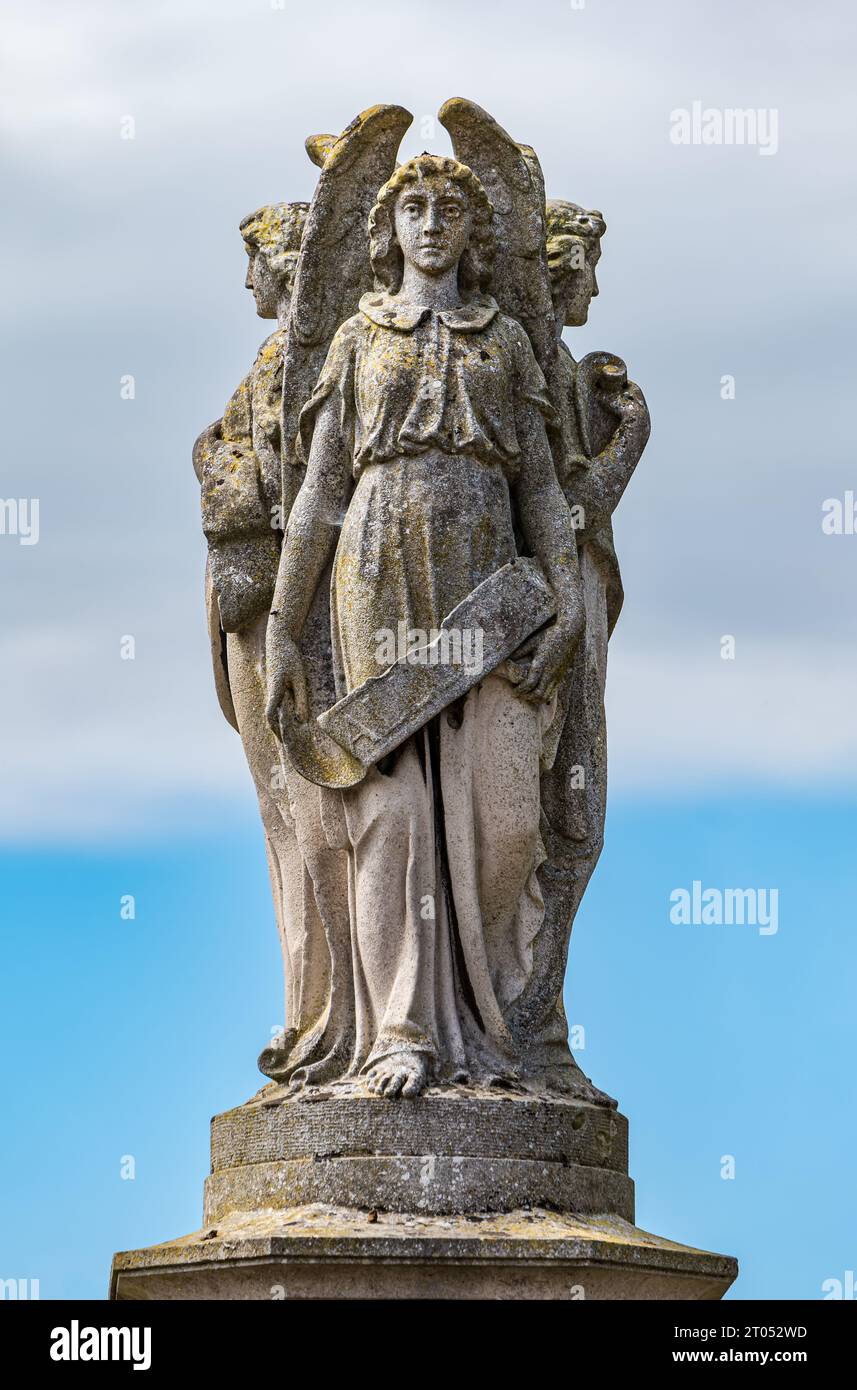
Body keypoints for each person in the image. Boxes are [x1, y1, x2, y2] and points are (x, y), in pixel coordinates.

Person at [265, 156, 586, 1099]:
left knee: (506, 816)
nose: (432, 224)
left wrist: (564, 601)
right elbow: (320, 495)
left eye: (450, 209)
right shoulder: (360, 339)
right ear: (386, 227)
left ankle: (499, 1036)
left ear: (475, 232)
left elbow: (537, 483)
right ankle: (399, 1030)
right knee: (391, 812)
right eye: (413, 207)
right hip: (376, 563)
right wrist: (287, 628)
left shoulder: (507, 342)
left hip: (491, 580)